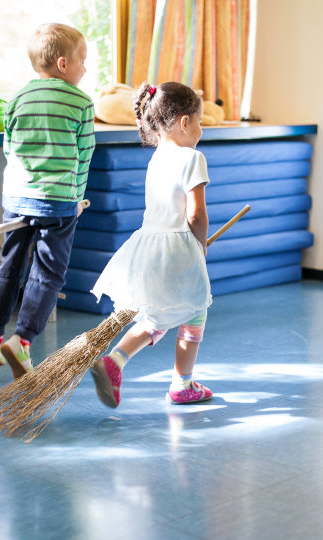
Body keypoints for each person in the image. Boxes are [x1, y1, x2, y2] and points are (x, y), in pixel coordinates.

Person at [0, 23, 94, 379]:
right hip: (58, 201)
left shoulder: (16, 99)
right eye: (82, 62)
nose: (84, 69)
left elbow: (8, 148)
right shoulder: (81, 102)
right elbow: (85, 154)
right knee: (48, 272)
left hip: (16, 196)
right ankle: (23, 341)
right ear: (63, 64)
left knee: (9, 265)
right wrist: (76, 200)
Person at [89, 81, 214, 407]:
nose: (200, 130)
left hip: (147, 246)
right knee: (195, 311)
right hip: (178, 248)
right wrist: (200, 246)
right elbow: (196, 214)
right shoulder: (192, 157)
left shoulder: (157, 158)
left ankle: (114, 361)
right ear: (184, 121)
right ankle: (182, 384)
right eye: (199, 121)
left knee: (157, 314)